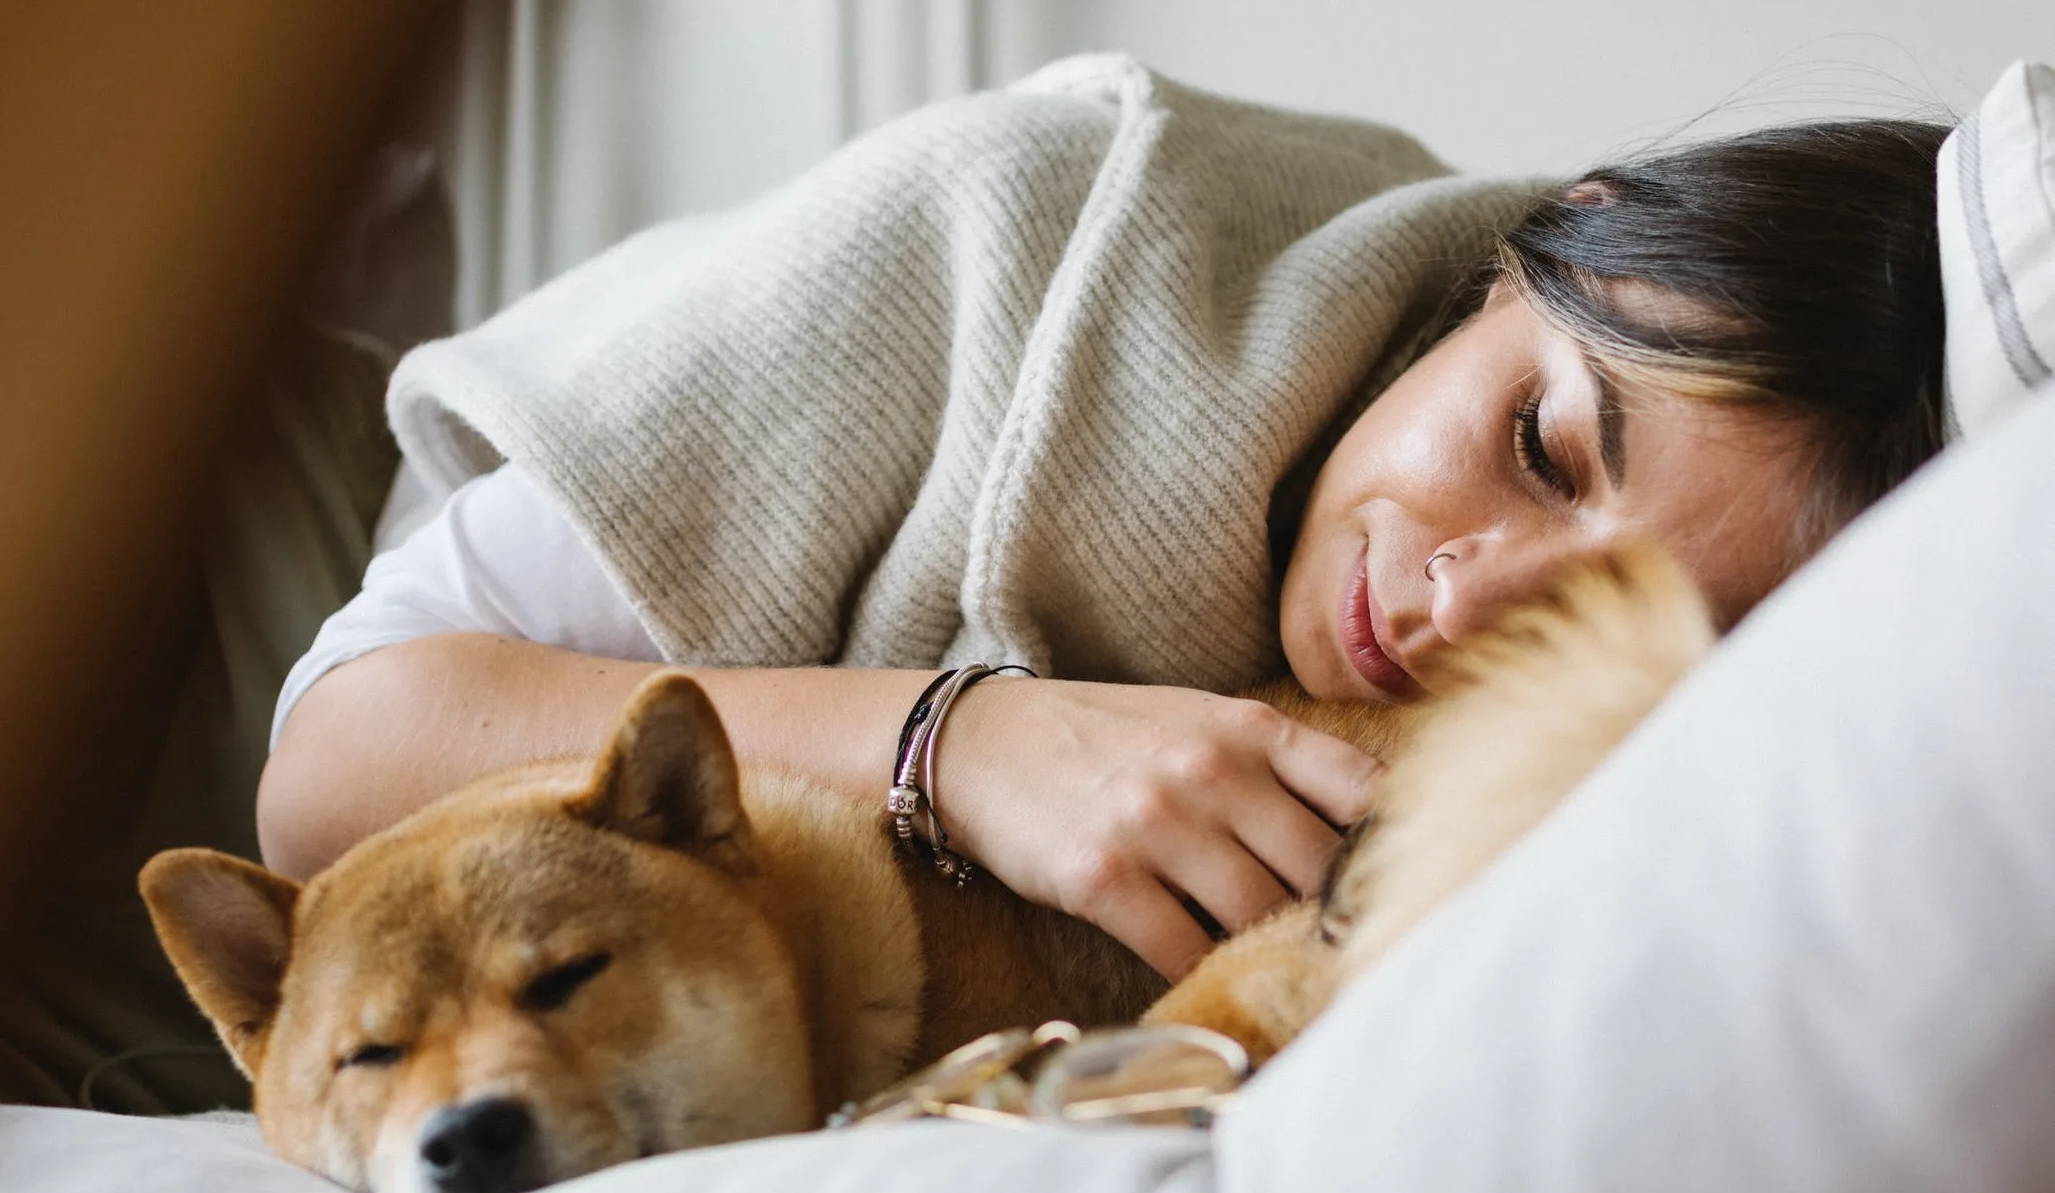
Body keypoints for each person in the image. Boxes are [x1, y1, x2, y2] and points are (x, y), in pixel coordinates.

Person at [258, 103, 1949, 985]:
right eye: (1538, 442)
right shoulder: (1045, 218)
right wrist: (960, 735)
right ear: (1553, 238)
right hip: (172, 664)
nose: (1460, 608)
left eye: (1617, 620)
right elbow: (337, 763)